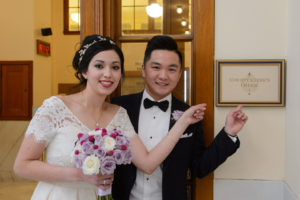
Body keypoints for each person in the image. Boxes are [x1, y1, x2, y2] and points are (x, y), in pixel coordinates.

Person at [13, 34, 206, 200]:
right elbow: (22, 166)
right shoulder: (56, 107)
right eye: (99, 65)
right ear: (84, 71)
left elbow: (147, 164)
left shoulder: (119, 114)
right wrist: (81, 175)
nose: (108, 74)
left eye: (115, 67)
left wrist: (183, 122)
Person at [111, 35, 248, 200]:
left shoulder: (189, 115)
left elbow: (200, 168)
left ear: (180, 73)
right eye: (156, 67)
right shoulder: (118, 108)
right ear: (143, 70)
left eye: (171, 69)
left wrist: (229, 134)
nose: (163, 76)